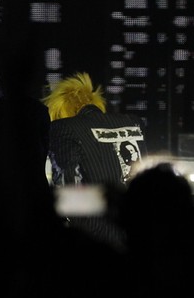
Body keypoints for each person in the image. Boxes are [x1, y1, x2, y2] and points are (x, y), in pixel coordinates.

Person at [45, 71, 148, 249]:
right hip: (139, 238)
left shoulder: (63, 127)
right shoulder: (133, 122)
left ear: (61, 109)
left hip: (96, 244)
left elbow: (68, 193)